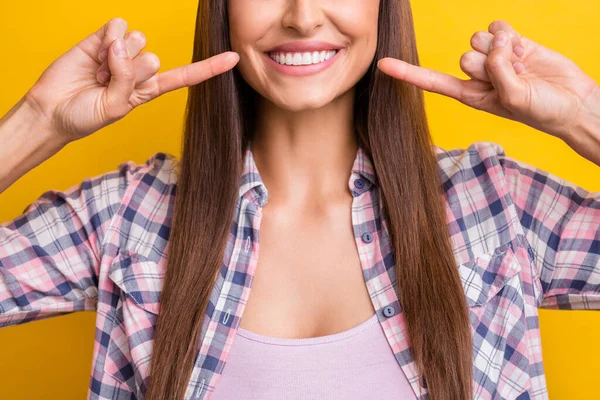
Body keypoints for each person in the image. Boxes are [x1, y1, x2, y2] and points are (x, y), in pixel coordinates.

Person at [1, 1, 599, 399]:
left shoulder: (493, 205)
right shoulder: (130, 218)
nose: (303, 17)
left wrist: (584, 118)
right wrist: (37, 122)